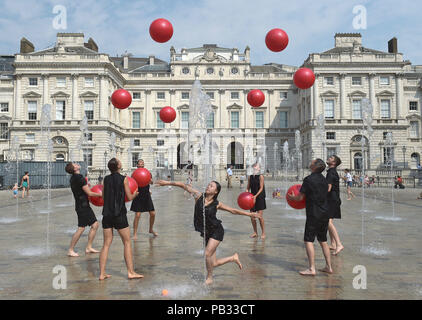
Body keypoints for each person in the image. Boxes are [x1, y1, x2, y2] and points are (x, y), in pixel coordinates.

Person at [155, 179, 259, 285]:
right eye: (209, 185)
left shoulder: (217, 203)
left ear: (216, 192)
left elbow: (232, 210)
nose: (208, 186)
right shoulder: (199, 196)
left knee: (207, 254)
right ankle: (233, 258)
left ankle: (209, 278)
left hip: (216, 231)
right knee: (213, 262)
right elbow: (182, 185)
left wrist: (249, 215)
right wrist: (166, 183)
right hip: (206, 232)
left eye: (212, 186)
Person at [287, 159, 333, 276]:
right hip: (325, 213)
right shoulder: (324, 180)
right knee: (323, 240)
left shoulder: (308, 179)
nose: (310, 163)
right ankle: (329, 266)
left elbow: (300, 198)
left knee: (308, 240)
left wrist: (292, 198)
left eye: (312, 162)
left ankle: (312, 268)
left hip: (314, 213)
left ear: (314, 166)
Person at [99, 158, 143, 280]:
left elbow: (103, 196)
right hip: (119, 214)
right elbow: (129, 196)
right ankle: (130, 272)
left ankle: (102, 273)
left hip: (107, 214)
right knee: (127, 242)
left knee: (106, 244)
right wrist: (136, 194)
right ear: (118, 165)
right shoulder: (123, 178)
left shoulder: (106, 179)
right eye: (120, 161)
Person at [65, 162, 102, 257]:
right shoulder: (80, 178)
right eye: (75, 164)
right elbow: (89, 193)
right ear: (74, 168)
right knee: (82, 228)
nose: (77, 164)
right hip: (83, 206)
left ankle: (88, 247)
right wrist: (101, 195)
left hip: (81, 205)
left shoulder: (73, 178)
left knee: (94, 225)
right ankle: (71, 250)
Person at [131, 159, 158, 240]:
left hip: (146, 194)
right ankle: (135, 234)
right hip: (138, 195)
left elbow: (151, 182)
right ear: (137, 165)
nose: (141, 165)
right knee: (138, 215)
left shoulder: (147, 173)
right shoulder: (134, 174)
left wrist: (150, 182)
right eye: (140, 163)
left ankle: (151, 229)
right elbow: (132, 184)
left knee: (153, 213)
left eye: (142, 163)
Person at [325, 155, 344, 256]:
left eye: (331, 157)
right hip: (334, 199)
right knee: (329, 221)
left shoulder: (331, 173)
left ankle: (339, 244)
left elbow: (327, 189)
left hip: (331, 200)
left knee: (328, 222)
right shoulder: (332, 172)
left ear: (334, 163)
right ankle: (332, 244)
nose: (329, 158)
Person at [246, 162, 267, 239]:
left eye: (256, 166)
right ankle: (255, 232)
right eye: (253, 166)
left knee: (259, 216)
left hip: (260, 197)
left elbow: (261, 188)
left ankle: (263, 233)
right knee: (252, 216)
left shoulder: (260, 176)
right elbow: (248, 187)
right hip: (252, 197)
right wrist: (247, 192)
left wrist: (255, 196)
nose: (254, 167)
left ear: (259, 168)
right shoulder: (250, 177)